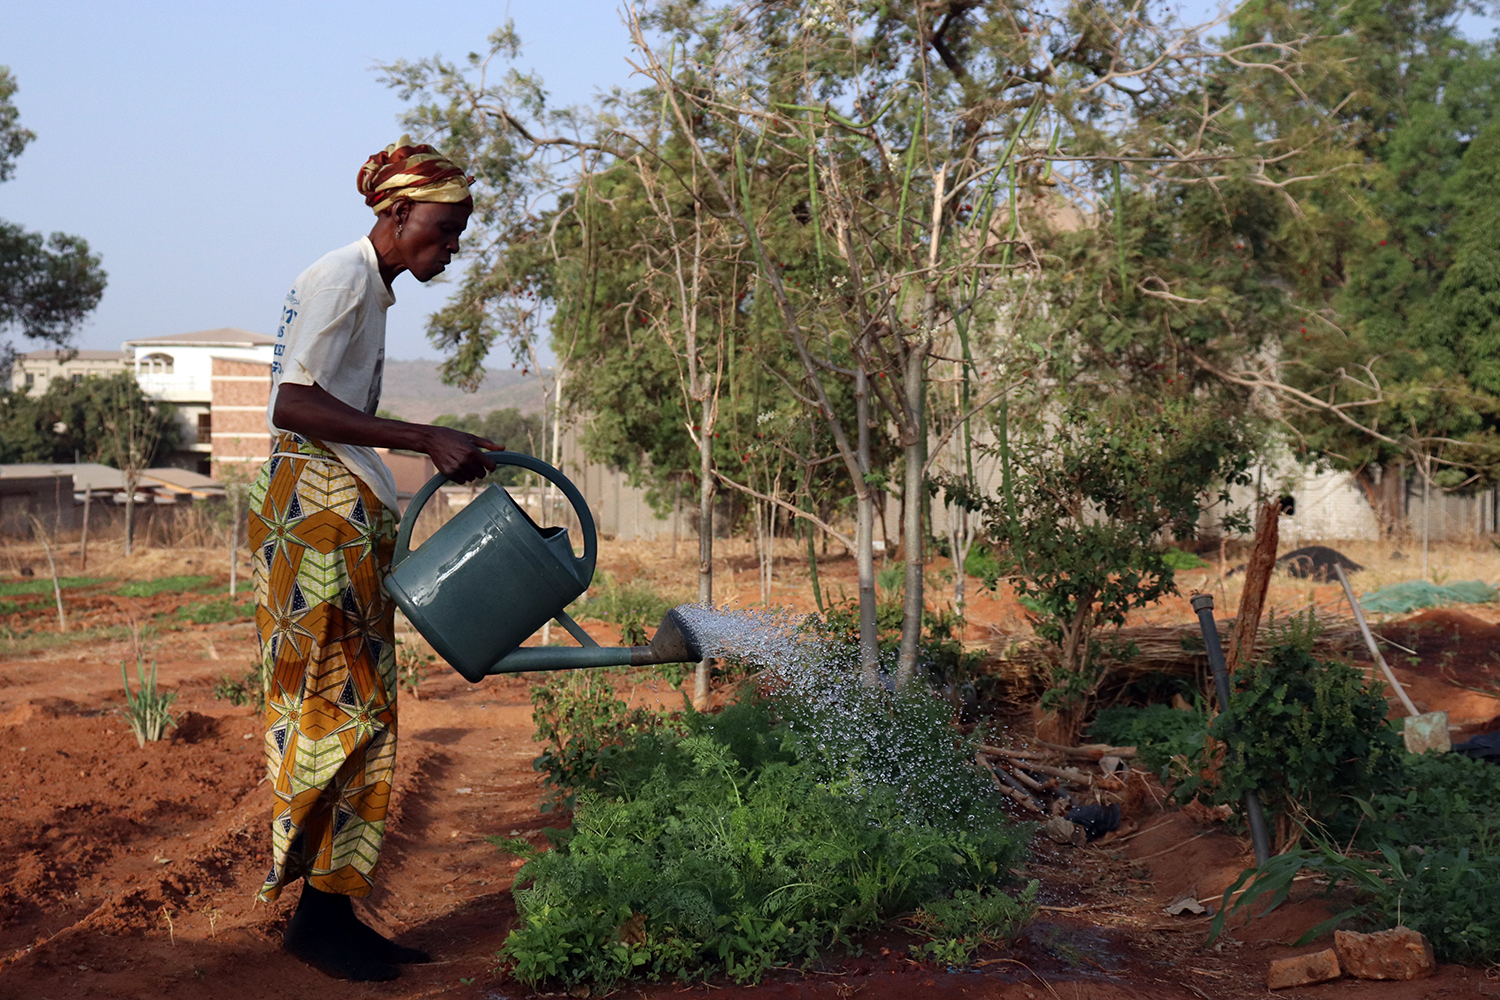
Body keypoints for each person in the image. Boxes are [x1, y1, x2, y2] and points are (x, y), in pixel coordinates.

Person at [247, 136, 499, 982]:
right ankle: (319, 920)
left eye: (459, 233)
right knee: (336, 710)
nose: (452, 247)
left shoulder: (374, 291)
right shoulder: (343, 275)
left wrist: (445, 447)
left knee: (360, 710)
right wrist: (421, 436)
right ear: (395, 215)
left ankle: (328, 912)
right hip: (313, 516)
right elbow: (292, 400)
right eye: (443, 229)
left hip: (335, 515)